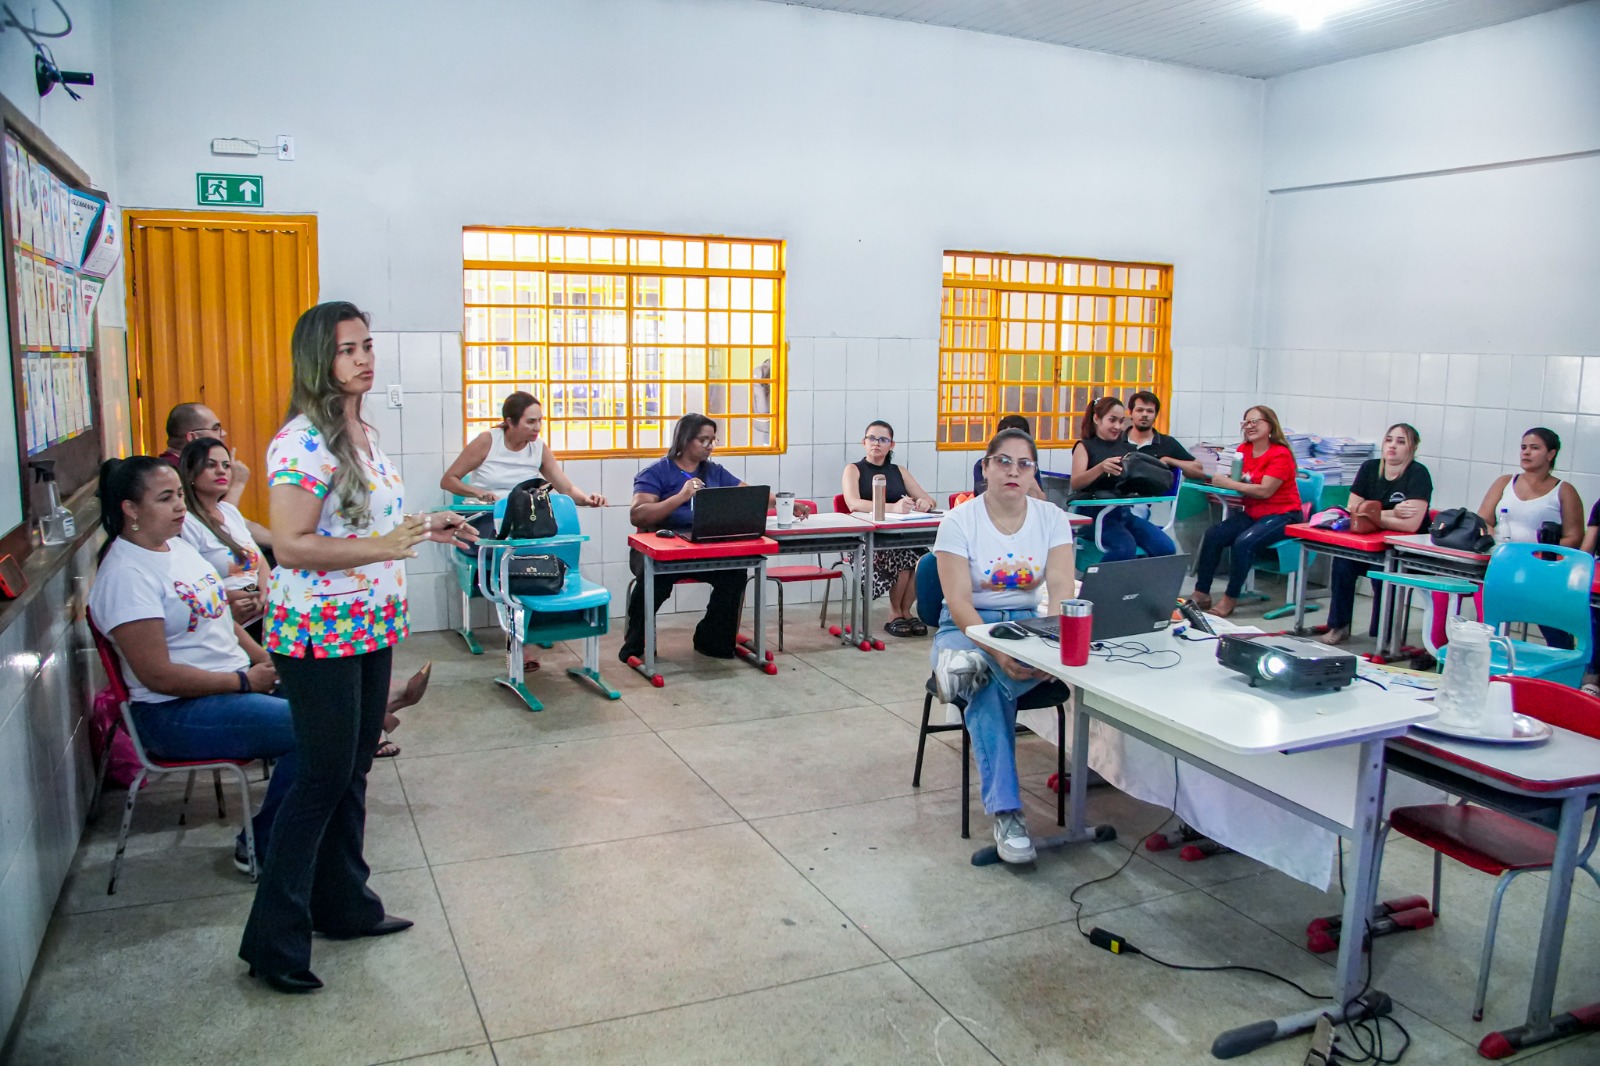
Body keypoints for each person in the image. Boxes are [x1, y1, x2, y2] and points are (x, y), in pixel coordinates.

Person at [238, 301, 476, 995]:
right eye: (348, 349)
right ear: (320, 359)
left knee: (355, 767)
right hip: (317, 629)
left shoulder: (361, 433)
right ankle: (272, 941)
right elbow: (291, 545)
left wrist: (426, 524)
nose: (366, 358)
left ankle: (343, 906)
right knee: (320, 775)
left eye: (368, 345)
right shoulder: (301, 442)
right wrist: (385, 545)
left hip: (369, 621)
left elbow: (368, 522)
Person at [87, 455, 295, 876]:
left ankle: (315, 833)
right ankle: (262, 844)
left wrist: (266, 662)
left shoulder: (176, 547)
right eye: (166, 498)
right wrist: (242, 682)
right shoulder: (127, 575)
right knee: (321, 730)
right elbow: (156, 675)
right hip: (173, 714)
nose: (181, 506)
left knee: (335, 700)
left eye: (180, 494)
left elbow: (218, 617)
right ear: (130, 509)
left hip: (230, 683)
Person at [176, 437, 429, 758]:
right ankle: (376, 709)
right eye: (211, 465)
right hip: (233, 617)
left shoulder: (229, 512)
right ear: (190, 472)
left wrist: (265, 592)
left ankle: (372, 709)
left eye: (225, 464)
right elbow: (201, 586)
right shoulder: (187, 524)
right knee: (320, 650)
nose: (222, 471)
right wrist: (237, 597)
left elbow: (262, 559)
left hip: (261, 610)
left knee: (329, 623)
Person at [932, 428, 1076, 864]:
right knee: (989, 687)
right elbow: (958, 602)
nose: (1014, 471)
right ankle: (1007, 813)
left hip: (1028, 625)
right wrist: (996, 651)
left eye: (1024, 464)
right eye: (1004, 462)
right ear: (986, 467)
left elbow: (1063, 591)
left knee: (982, 682)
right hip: (967, 627)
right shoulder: (958, 521)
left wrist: (1051, 648)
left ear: (1035, 473)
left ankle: (961, 671)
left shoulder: (1052, 518)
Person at [621, 413, 809, 662]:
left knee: (734, 574)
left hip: (701, 549)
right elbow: (638, 515)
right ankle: (635, 645)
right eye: (703, 440)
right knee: (653, 582)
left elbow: (748, 493)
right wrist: (681, 496)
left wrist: (786, 502)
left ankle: (713, 640)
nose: (710, 446)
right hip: (658, 551)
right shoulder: (656, 472)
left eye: (713, 440)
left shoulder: (714, 471)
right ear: (685, 440)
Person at [1319, 424, 1433, 646]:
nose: (1392, 446)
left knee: (1385, 571)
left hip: (1402, 552)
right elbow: (1352, 509)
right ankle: (1339, 625)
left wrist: (1370, 514)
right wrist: (1390, 513)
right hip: (1368, 545)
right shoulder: (1370, 468)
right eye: (1389, 440)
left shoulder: (1418, 474)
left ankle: (1383, 632)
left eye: (1401, 442)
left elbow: (1410, 525)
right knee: (1342, 563)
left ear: (1413, 447)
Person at [1476, 427, 1585, 651]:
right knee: (1488, 611)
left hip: (1543, 569)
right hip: (1501, 564)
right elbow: (1482, 520)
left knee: (1550, 620)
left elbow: (1574, 537)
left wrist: (1536, 553)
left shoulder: (1563, 490)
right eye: (1523, 447)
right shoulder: (1504, 482)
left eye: (1535, 448)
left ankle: (1563, 662)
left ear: (1550, 454)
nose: (1526, 453)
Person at [1190, 405, 1303, 618]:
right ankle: (1202, 592)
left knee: (1244, 542)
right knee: (1214, 534)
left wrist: (1230, 483)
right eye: (1246, 422)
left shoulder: (1281, 454)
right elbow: (1242, 479)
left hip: (1283, 515)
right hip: (1255, 512)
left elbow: (1264, 491)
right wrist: (1223, 480)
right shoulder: (1243, 450)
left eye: (1255, 422)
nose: (1249, 426)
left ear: (1270, 425)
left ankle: (1230, 597)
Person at [841, 420, 938, 637]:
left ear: (891, 445)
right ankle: (894, 613)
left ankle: (906, 611)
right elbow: (853, 503)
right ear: (863, 442)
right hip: (866, 541)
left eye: (883, 439)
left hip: (901, 536)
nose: (877, 443)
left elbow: (928, 499)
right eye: (872, 438)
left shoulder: (898, 471)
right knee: (904, 560)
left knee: (923, 560)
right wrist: (892, 507)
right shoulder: (854, 469)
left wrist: (924, 503)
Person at [440, 391, 606, 506]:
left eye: (540, 421)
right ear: (510, 422)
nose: (537, 427)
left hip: (523, 517)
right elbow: (448, 480)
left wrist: (587, 499)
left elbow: (567, 488)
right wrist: (479, 493)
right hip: (485, 515)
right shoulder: (488, 440)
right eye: (531, 422)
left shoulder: (539, 448)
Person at [1068, 396, 1177, 563]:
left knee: (1166, 547)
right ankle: (1100, 586)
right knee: (1125, 547)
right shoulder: (1084, 446)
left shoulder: (1126, 448)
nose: (1117, 427)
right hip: (1094, 517)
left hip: (1123, 514)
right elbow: (1076, 482)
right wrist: (1100, 468)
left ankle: (1142, 586)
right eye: (1112, 420)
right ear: (1097, 419)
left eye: (1121, 421)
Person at [162, 401, 271, 549]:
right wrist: (237, 485)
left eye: (225, 465)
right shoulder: (170, 473)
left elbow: (235, 520)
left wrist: (283, 543)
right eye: (216, 428)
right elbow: (214, 524)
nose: (223, 433)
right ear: (193, 437)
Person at [1123, 391, 1206, 481]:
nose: (1144, 415)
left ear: (1156, 415)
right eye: (1140, 410)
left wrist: (1168, 460)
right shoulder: (1116, 440)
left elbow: (1199, 470)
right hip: (1118, 494)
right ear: (1130, 413)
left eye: (1150, 411)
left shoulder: (1167, 443)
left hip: (1156, 494)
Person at [973, 415, 1040, 495]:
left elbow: (1041, 501)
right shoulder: (983, 465)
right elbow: (986, 496)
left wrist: (1031, 482)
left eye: (1017, 438)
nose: (1013, 472)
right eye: (1007, 438)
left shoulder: (1029, 466)